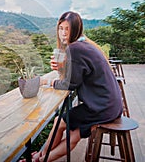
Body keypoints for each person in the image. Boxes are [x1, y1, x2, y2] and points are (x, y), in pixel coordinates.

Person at [32, 11, 123, 162]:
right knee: (73, 134)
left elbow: (69, 84)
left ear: (76, 29)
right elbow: (76, 76)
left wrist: (46, 82)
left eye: (68, 29)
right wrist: (61, 68)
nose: (63, 33)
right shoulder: (85, 44)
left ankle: (38, 158)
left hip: (100, 107)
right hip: (111, 105)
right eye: (61, 28)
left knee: (58, 122)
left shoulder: (74, 48)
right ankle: (40, 158)